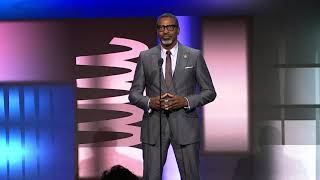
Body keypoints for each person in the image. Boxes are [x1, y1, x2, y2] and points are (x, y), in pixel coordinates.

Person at [129, 13, 216, 180]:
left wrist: (186, 101)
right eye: (161, 28)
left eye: (170, 27)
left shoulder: (194, 55)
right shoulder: (146, 57)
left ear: (178, 30)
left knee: (190, 176)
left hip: (185, 128)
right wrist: (150, 102)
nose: (165, 31)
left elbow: (210, 92)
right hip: (154, 128)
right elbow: (134, 93)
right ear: (157, 31)